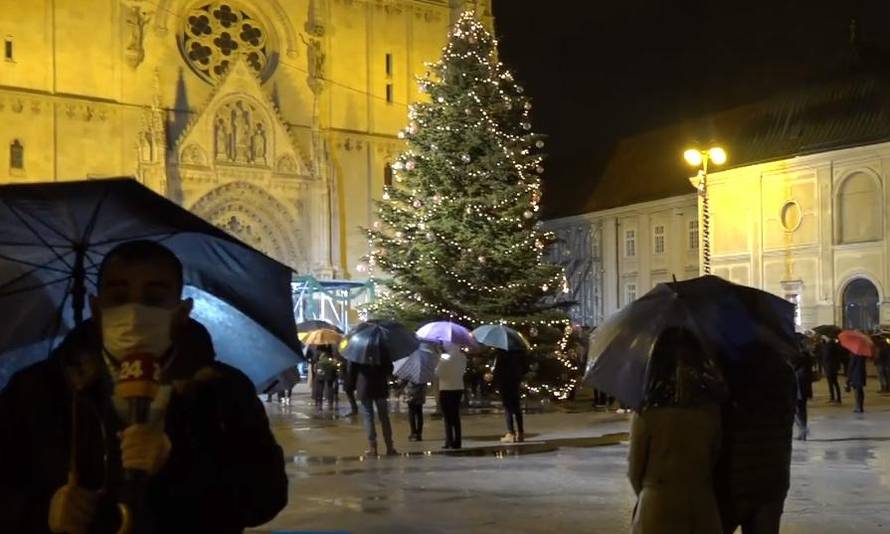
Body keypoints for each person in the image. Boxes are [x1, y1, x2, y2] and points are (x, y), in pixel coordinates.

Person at [0, 240, 288, 533]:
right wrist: (42, 511)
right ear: (96, 308)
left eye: (152, 299)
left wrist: (177, 465)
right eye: (119, 296)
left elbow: (267, 497)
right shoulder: (37, 389)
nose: (134, 312)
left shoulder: (224, 390)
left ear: (182, 311)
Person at [627, 328, 724, 534]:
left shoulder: (647, 413)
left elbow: (635, 470)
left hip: (658, 503)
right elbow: (716, 459)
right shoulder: (711, 411)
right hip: (701, 505)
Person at [716, 340, 796, 534]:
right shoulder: (783, 371)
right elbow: (789, 417)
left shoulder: (726, 369)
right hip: (772, 478)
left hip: (729, 479)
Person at [348, 358, 397, 456]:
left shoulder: (358, 351)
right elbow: (390, 368)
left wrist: (352, 385)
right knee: (384, 417)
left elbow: (352, 370)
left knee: (368, 416)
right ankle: (389, 447)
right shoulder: (381, 348)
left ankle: (373, 447)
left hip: (364, 386)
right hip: (380, 386)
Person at [435, 343, 467, 450]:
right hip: (458, 387)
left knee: (447, 416)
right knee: (455, 415)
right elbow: (462, 371)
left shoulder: (445, 358)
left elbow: (438, 373)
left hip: (446, 389)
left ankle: (449, 439)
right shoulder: (462, 357)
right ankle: (457, 441)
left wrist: (439, 359)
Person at [494, 349, 529, 443]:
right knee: (517, 407)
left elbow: (498, 370)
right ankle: (520, 433)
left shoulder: (502, 353)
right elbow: (525, 368)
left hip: (505, 383)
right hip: (515, 382)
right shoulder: (519, 352)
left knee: (508, 408)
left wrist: (495, 381)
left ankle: (511, 433)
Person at [793, 339, 814, 440]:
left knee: (796, 409)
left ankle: (803, 430)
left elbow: (793, 367)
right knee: (802, 410)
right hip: (804, 387)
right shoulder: (808, 356)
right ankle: (803, 432)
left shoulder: (800, 357)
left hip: (799, 387)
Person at [820, 336, 842, 404]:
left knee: (830, 383)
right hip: (834, 366)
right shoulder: (834, 345)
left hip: (829, 366)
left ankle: (832, 397)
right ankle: (838, 398)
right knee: (835, 382)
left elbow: (826, 356)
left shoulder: (828, 346)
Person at [315, 345, 338, 410]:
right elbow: (334, 357)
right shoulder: (330, 347)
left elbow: (314, 358)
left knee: (320, 386)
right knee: (330, 386)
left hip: (320, 369)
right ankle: (330, 403)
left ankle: (319, 404)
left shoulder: (318, 348)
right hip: (329, 369)